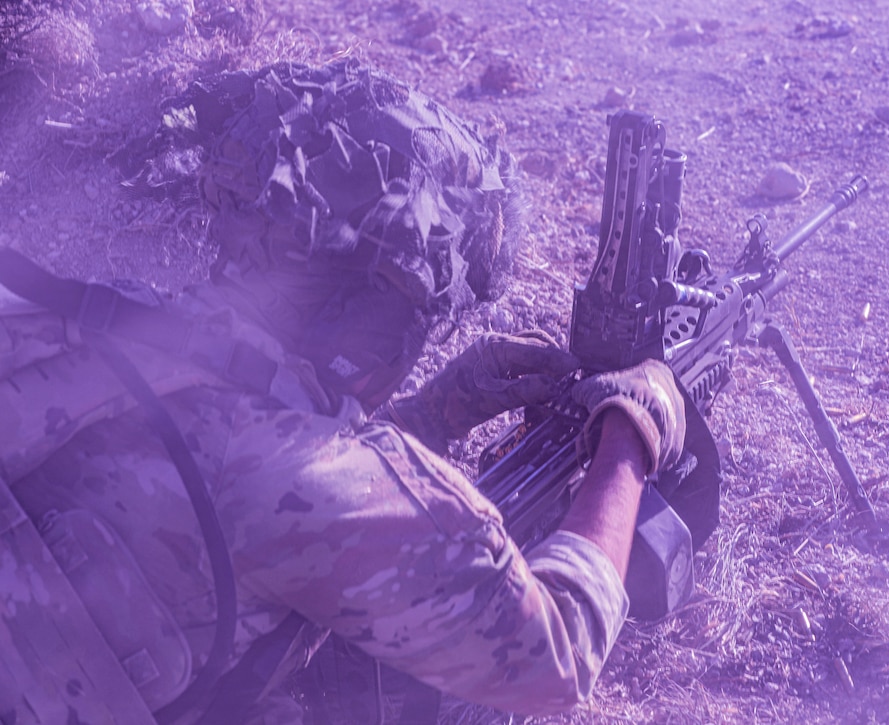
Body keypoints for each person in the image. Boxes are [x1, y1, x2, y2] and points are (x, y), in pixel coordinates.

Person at [3, 59, 686, 722]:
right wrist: (632, 428)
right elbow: (556, 659)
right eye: (424, 319)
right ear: (385, 313)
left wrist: (435, 411)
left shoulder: (84, 322)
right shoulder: (298, 477)